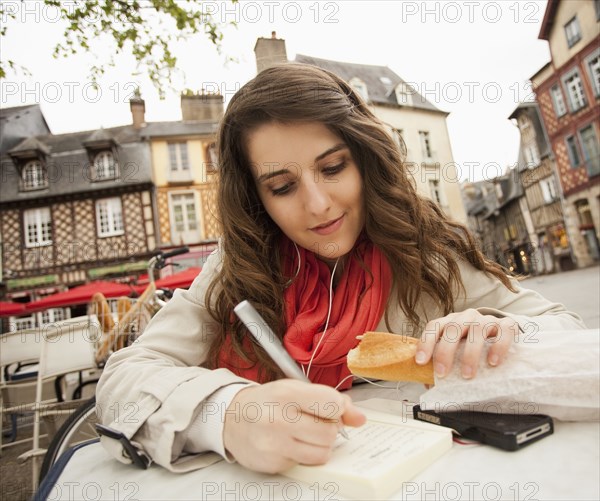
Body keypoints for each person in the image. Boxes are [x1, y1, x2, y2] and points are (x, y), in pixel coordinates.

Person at [96, 63, 585, 475]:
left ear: (365, 160)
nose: (318, 204)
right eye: (283, 187)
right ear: (256, 199)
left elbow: (567, 334)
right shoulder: (234, 267)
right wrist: (225, 414)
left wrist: (502, 329)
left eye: (333, 168)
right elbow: (124, 381)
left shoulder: (426, 249)